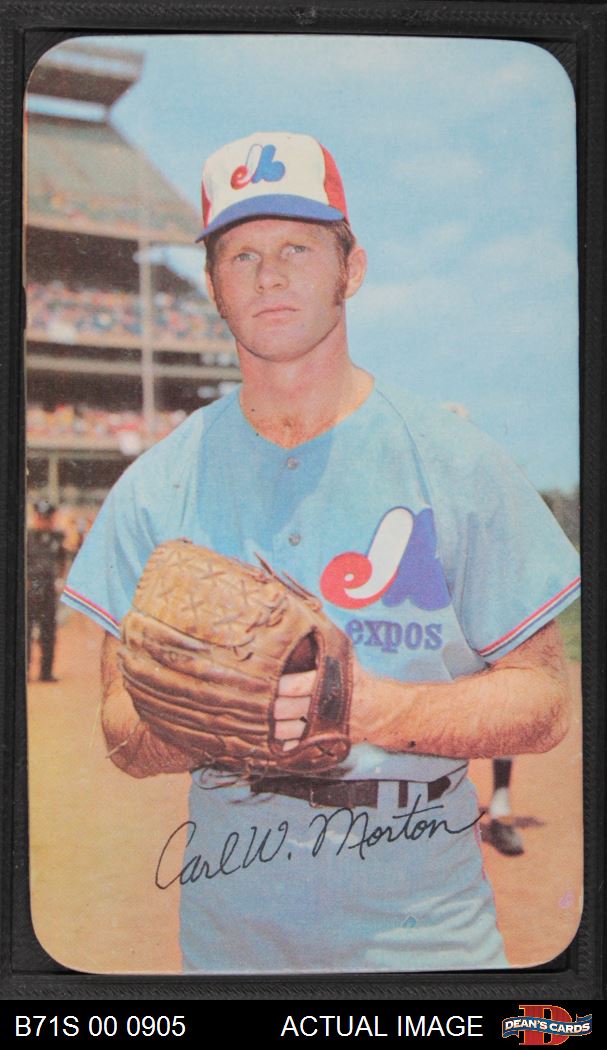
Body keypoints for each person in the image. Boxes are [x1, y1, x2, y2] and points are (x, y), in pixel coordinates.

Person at [62, 131, 581, 974]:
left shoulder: (456, 461)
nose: (269, 275)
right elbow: (121, 730)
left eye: (298, 249)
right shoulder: (156, 486)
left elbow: (544, 702)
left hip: (425, 945)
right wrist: (216, 717)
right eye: (242, 255)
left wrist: (369, 709)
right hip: (233, 948)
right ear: (214, 287)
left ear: (352, 269)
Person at [27, 498, 66, 682]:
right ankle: (24, 670)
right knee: (25, 632)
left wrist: (60, 579)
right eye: (40, 517)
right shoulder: (27, 538)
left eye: (47, 518)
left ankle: (46, 672)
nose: (44, 521)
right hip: (29, 589)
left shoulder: (57, 538)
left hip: (49, 590)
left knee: (48, 632)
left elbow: (62, 561)